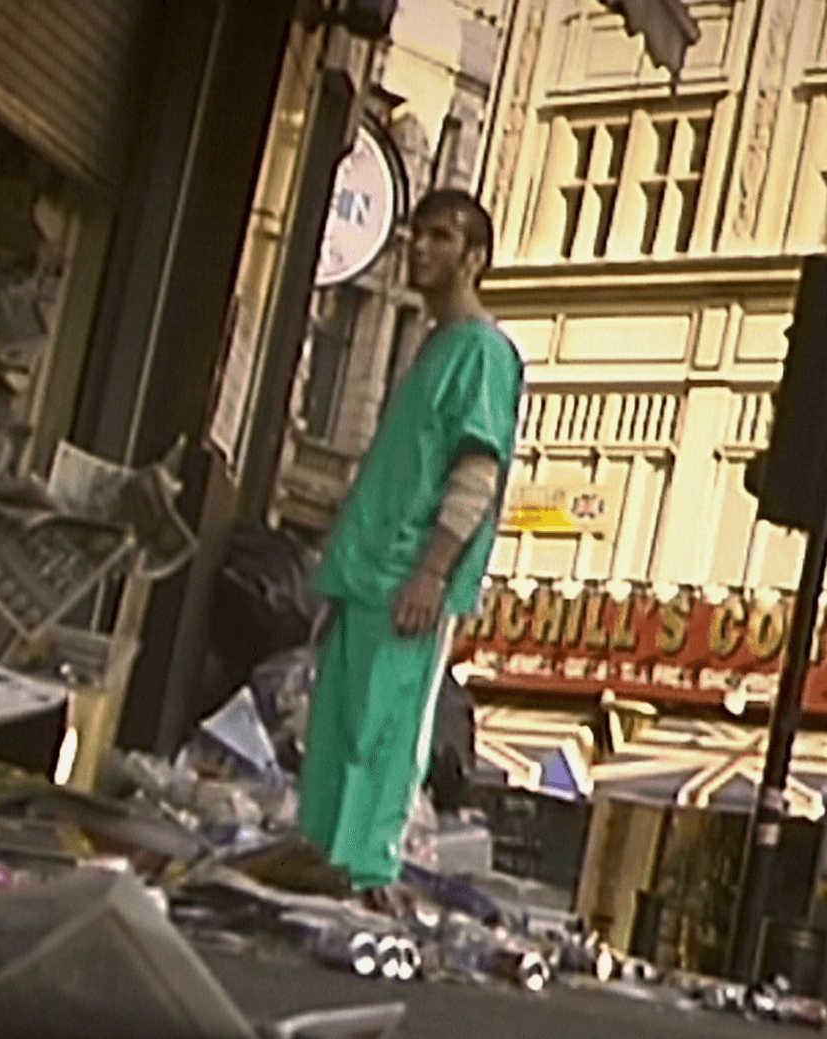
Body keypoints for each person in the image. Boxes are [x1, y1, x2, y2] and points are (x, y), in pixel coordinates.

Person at [299, 189, 525, 901]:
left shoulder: (483, 352)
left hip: (406, 583)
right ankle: (318, 866)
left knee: (381, 739)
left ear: (474, 257)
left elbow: (476, 472)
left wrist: (431, 573)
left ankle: (363, 875)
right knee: (337, 737)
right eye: (416, 233)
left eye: (440, 236)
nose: (419, 247)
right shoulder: (434, 347)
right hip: (368, 577)